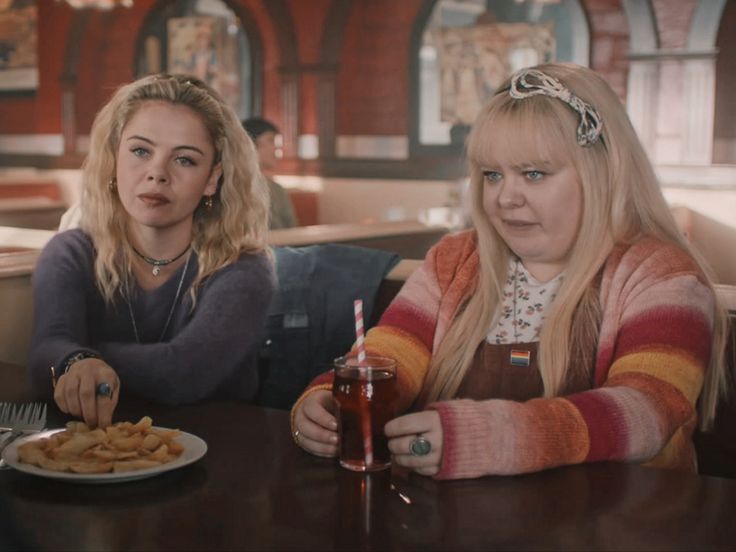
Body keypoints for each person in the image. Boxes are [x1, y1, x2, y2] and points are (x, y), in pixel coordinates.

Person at [290, 62, 729, 479]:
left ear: (605, 173)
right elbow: (389, 357)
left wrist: (495, 436)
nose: (505, 198)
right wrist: (328, 399)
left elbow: (647, 411)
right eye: (492, 175)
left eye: (534, 174)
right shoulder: (454, 259)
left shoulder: (662, 274)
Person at [29, 73, 275, 428]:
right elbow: (44, 355)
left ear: (212, 179)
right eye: (141, 151)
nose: (157, 173)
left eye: (185, 160)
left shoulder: (244, 268)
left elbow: (183, 373)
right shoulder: (70, 252)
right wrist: (72, 359)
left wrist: (89, 354)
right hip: (96, 458)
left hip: (221, 459)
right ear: (114, 159)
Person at [242, 117, 298, 229]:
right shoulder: (235, 188)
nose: (276, 147)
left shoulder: (278, 189)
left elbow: (293, 229)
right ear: (251, 144)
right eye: (271, 140)